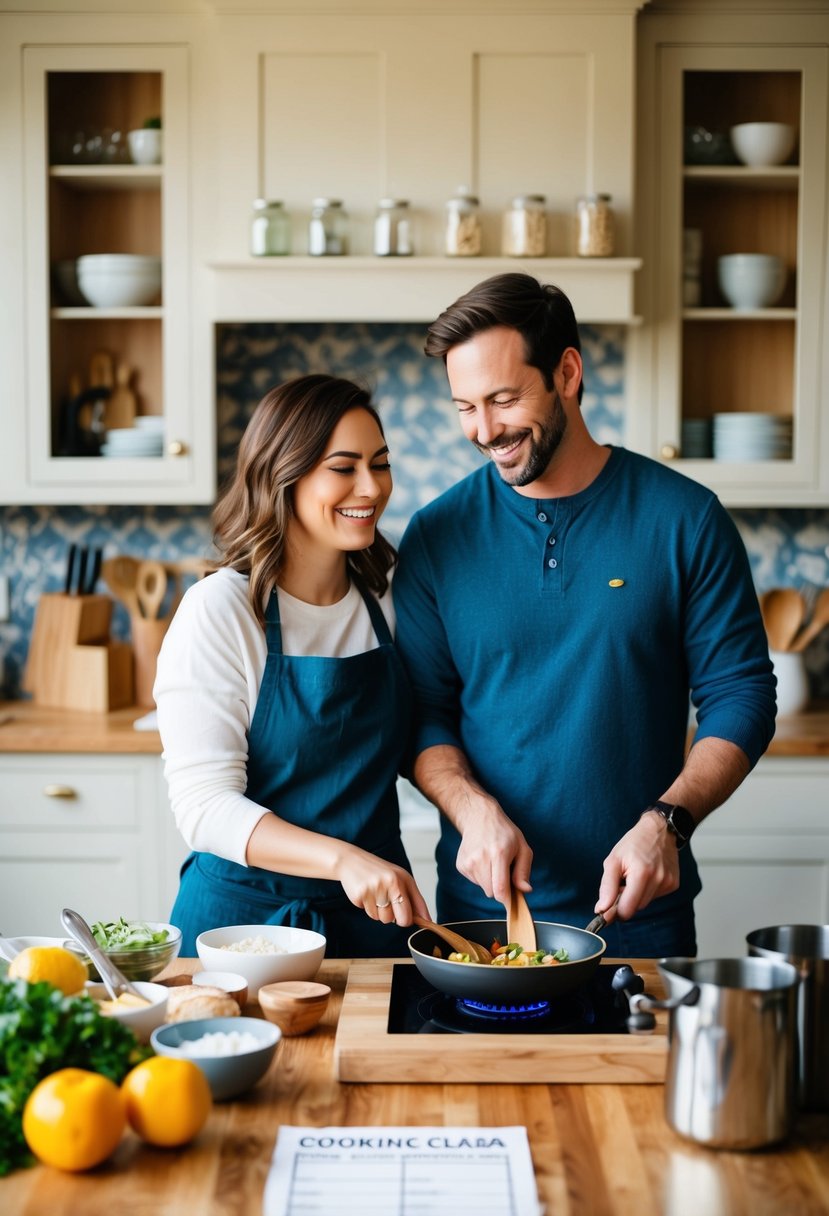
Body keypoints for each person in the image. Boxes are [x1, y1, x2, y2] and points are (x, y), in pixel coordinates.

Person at [392, 273, 776, 957]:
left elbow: (740, 695)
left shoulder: (683, 519)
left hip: (638, 918)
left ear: (566, 372)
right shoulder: (435, 535)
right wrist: (471, 811)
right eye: (464, 407)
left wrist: (667, 821)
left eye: (503, 399)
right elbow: (423, 713)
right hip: (482, 921)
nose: (484, 431)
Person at [155, 374, 429, 957]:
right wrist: (343, 859)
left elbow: (423, 732)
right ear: (285, 475)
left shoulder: (388, 597)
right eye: (343, 466)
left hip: (374, 925)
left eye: (380, 464)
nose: (371, 487)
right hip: (241, 932)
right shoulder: (223, 609)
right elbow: (205, 808)